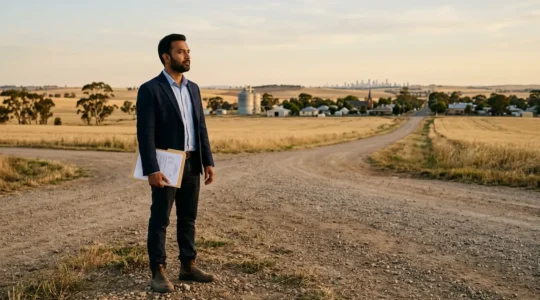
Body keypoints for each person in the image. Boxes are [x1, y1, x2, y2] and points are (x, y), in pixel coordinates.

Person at [136, 33, 215, 293]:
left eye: (188, 50)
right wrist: (152, 169)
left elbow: (200, 127)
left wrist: (208, 161)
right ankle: (157, 271)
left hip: (193, 163)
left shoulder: (193, 88)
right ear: (166, 57)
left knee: (188, 217)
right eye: (181, 51)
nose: (187, 55)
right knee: (160, 219)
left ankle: (188, 265)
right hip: (167, 164)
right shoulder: (151, 89)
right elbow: (145, 133)